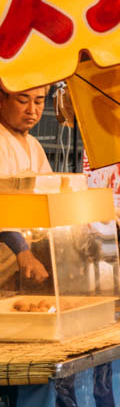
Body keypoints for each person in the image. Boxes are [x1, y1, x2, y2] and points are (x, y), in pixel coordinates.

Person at [0, 85, 53, 282]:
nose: (32, 110)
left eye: (39, 101)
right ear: (1, 100)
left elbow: (51, 194)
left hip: (14, 264)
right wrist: (22, 251)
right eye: (23, 101)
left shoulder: (34, 145)